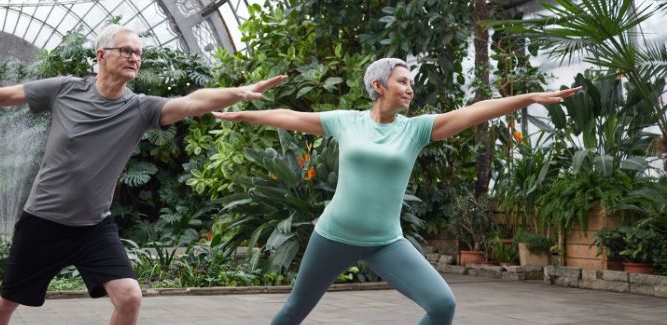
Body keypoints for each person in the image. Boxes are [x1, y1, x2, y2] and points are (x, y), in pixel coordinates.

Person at [0, 25, 286, 325]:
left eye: (138, 53)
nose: (134, 57)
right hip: (43, 222)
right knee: (4, 306)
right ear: (101, 55)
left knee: (130, 298)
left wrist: (237, 91)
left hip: (94, 226)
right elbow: (3, 95)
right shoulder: (64, 90)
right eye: (126, 50)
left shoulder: (141, 109)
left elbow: (193, 101)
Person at [213, 58, 581, 325]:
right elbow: (289, 117)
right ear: (378, 86)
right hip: (333, 236)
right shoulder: (346, 122)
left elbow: (476, 110)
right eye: (402, 81)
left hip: (385, 242)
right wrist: (243, 113)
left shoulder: (416, 129)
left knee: (442, 305)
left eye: (410, 82)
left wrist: (527, 97)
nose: (410, 88)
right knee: (294, 310)